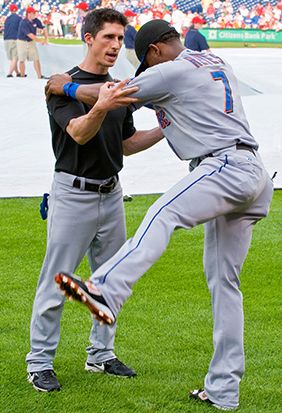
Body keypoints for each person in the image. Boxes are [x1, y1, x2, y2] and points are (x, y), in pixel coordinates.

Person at [53, 19, 273, 410]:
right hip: (253, 173)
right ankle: (224, 390)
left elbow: (110, 94)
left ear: (154, 51)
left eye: (147, 64)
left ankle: (106, 288)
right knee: (225, 286)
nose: (149, 73)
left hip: (223, 167)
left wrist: (63, 86)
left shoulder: (172, 69)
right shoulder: (214, 60)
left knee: (162, 214)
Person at [26, 9, 163, 393]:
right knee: (58, 280)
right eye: (108, 37)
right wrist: (102, 105)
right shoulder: (62, 85)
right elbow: (79, 134)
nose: (116, 46)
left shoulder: (117, 86)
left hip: (112, 193)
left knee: (111, 281)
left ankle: (100, 355)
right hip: (73, 193)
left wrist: (164, 130)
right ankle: (39, 362)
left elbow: (125, 144)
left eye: (120, 39)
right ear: (89, 38)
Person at [17, 6, 48, 79]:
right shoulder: (23, 22)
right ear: (29, 14)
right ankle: (22, 76)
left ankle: (39, 76)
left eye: (35, 13)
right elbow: (30, 35)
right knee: (22, 59)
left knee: (36, 58)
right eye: (33, 13)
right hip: (22, 41)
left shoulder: (36, 20)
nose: (35, 14)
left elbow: (44, 28)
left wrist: (46, 39)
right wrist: (41, 41)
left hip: (31, 42)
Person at [3, 4, 22, 77]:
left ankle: (17, 73)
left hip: (6, 40)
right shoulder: (19, 18)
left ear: (10, 10)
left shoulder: (7, 19)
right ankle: (10, 73)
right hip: (14, 39)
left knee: (12, 58)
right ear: (16, 10)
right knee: (15, 57)